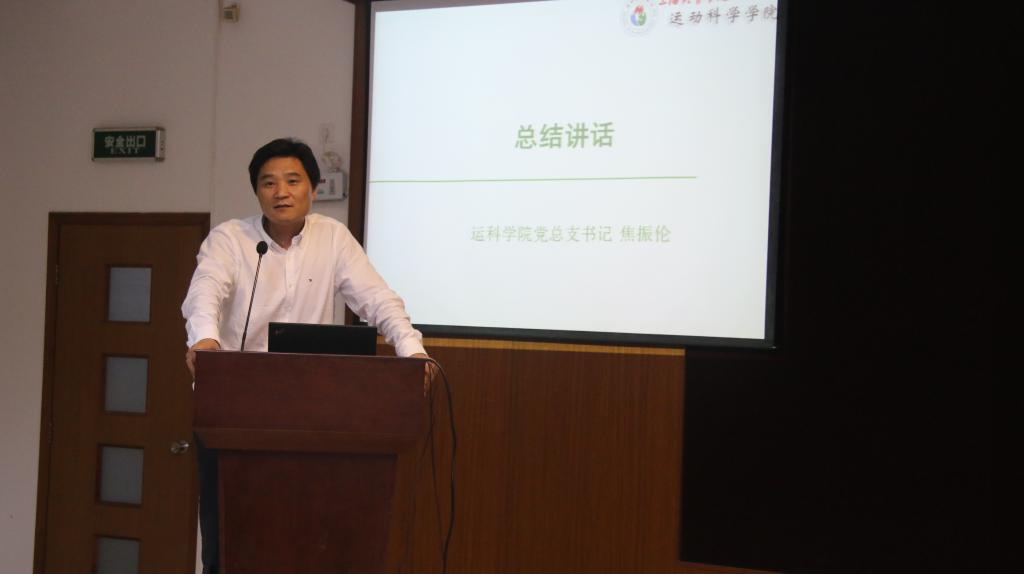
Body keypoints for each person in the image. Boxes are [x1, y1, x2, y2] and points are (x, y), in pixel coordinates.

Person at [181, 137, 431, 574]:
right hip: (236, 410)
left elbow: (377, 299)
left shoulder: (332, 238)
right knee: (230, 538)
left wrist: (411, 349)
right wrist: (204, 339)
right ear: (256, 191)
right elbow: (206, 291)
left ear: (313, 188)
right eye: (268, 183)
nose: (281, 192)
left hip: (311, 412)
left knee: (311, 535)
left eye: (293, 181)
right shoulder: (231, 239)